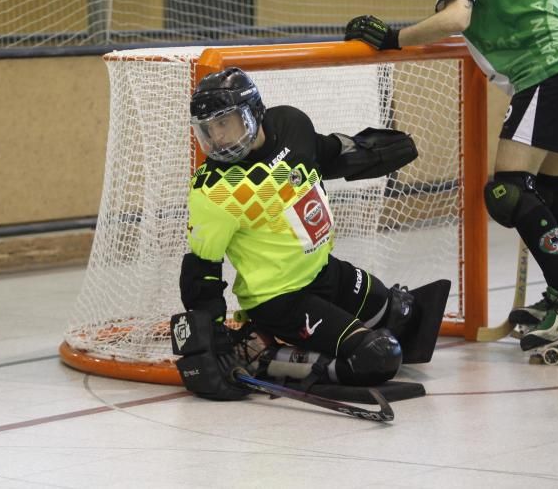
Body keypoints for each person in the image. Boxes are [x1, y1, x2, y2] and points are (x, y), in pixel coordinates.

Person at [345, 0, 558, 353]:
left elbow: (456, 18)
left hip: (549, 67)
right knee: (551, 187)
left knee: (507, 191)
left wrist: (392, 37)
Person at [171, 67, 449, 401]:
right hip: (280, 299)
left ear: (253, 112)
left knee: (403, 314)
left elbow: (323, 153)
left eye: (223, 123)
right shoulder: (215, 192)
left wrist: (368, 151)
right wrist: (212, 335)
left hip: (324, 271)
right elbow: (201, 269)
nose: (217, 139)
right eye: (208, 130)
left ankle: (270, 343)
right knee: (378, 356)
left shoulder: (291, 125)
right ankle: (261, 355)